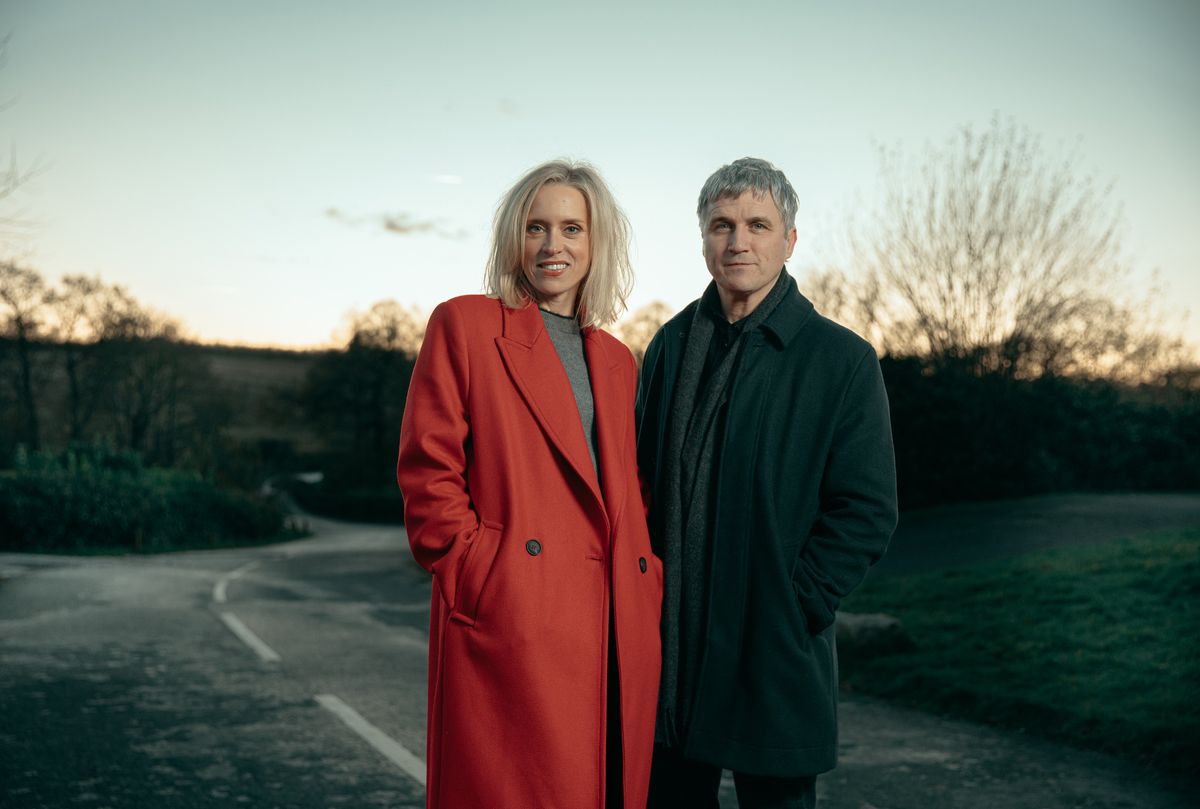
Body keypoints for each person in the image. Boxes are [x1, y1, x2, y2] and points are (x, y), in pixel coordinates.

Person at [397, 159, 663, 809]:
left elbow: (626, 489)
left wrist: (646, 576)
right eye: (536, 227)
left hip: (612, 625)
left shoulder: (618, 359)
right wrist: (481, 570)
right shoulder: (465, 326)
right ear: (514, 239)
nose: (553, 246)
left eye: (572, 228)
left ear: (596, 244)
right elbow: (428, 472)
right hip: (514, 616)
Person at [635, 157, 898, 808]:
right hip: (670, 652)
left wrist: (796, 602)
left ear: (790, 239)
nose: (737, 241)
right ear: (702, 238)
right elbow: (639, 484)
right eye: (721, 224)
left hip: (772, 648)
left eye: (758, 223)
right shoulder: (670, 346)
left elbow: (866, 508)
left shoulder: (839, 359)